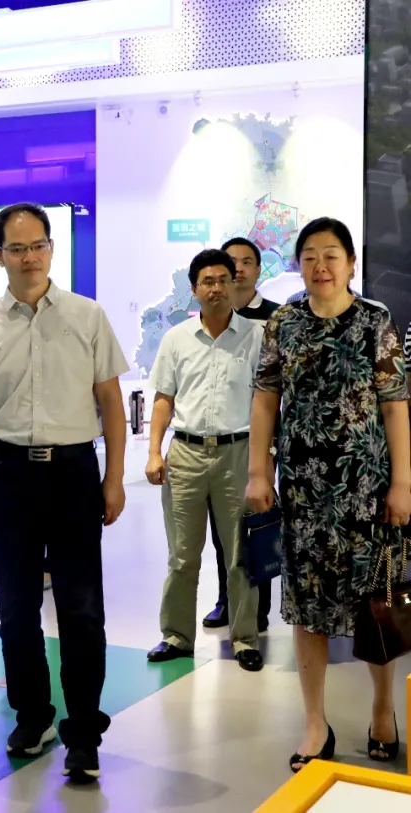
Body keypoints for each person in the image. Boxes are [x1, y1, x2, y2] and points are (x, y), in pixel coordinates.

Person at [0, 202, 128, 783]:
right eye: (17, 248)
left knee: (81, 608)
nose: (30, 257)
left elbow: (110, 403)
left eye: (39, 245)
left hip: (74, 472)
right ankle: (33, 716)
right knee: (16, 607)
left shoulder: (87, 315)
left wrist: (113, 477)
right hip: (8, 475)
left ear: (52, 248)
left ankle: (84, 733)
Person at [246, 216, 410, 773]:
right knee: (307, 607)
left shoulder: (375, 321)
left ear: (351, 263)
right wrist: (258, 472)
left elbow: (395, 406)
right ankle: (315, 724)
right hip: (303, 491)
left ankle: (383, 709)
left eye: (332, 255)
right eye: (310, 256)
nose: (321, 266)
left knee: (374, 604)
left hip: (368, 491)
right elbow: (265, 399)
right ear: (299, 265)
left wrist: (403, 483)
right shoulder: (284, 323)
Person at [145, 249, 264, 672]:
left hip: (238, 452)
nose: (216, 288)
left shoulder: (257, 336)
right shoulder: (176, 339)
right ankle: (176, 636)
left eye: (223, 280)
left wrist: (264, 463)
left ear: (235, 284)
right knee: (182, 555)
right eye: (207, 282)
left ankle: (245, 638)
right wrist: (154, 451)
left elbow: (268, 403)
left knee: (240, 556)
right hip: (186, 454)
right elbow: (163, 399)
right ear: (194, 290)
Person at [201, 237, 277, 632]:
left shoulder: (275, 317)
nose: (240, 269)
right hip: (219, 443)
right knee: (223, 531)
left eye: (247, 262)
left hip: (261, 444)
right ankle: (226, 600)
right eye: (233, 263)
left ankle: (258, 608)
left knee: (257, 526)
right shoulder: (211, 320)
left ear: (258, 270)